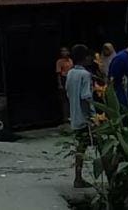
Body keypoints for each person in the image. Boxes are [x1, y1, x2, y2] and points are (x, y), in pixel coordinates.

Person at [66, 44, 94, 189]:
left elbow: (68, 93)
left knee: (80, 148)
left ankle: (78, 177)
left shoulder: (70, 73)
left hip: (75, 116)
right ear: (86, 57)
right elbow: (86, 97)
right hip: (86, 118)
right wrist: (92, 117)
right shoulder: (85, 75)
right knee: (101, 145)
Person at [56, 47, 73, 123]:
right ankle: (65, 117)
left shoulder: (70, 60)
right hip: (64, 79)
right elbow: (58, 74)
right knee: (65, 99)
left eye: (65, 51)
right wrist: (60, 84)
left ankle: (72, 116)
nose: (63, 52)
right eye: (62, 51)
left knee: (71, 99)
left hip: (71, 79)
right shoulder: (59, 61)